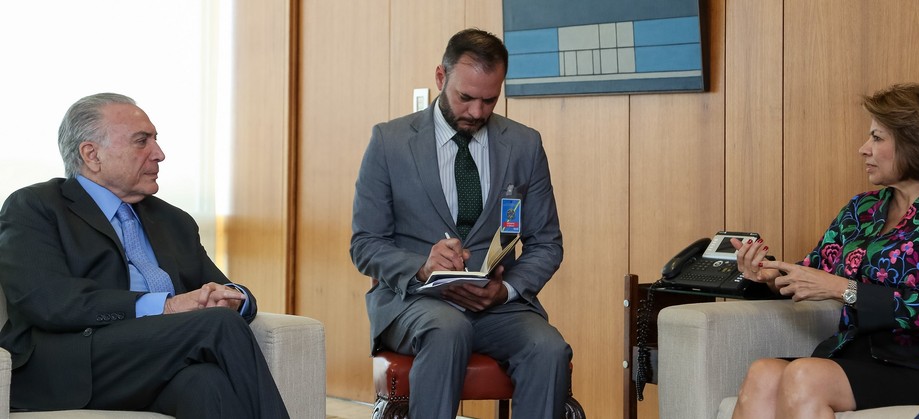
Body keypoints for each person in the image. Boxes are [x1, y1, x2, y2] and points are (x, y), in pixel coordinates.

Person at [0, 93, 289, 418]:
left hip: (152, 360)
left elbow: (221, 287)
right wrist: (167, 306)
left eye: (156, 140)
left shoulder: (172, 220)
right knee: (216, 326)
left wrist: (235, 298)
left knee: (207, 383)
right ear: (92, 154)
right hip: (74, 360)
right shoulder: (36, 207)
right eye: (142, 142)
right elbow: (50, 303)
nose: (160, 154)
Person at [729, 83, 919, 418]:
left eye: (877, 138)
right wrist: (768, 275)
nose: (863, 149)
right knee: (763, 373)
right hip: (856, 356)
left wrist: (843, 289)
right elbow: (813, 270)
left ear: (918, 142)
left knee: (805, 375)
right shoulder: (862, 210)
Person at [350, 28, 572, 418]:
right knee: (448, 329)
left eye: (489, 100)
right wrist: (422, 266)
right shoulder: (389, 142)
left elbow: (546, 243)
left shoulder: (524, 145)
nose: (476, 112)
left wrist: (507, 291)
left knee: (548, 347)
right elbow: (365, 244)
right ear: (441, 77)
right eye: (465, 97)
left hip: (497, 308)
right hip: (415, 302)